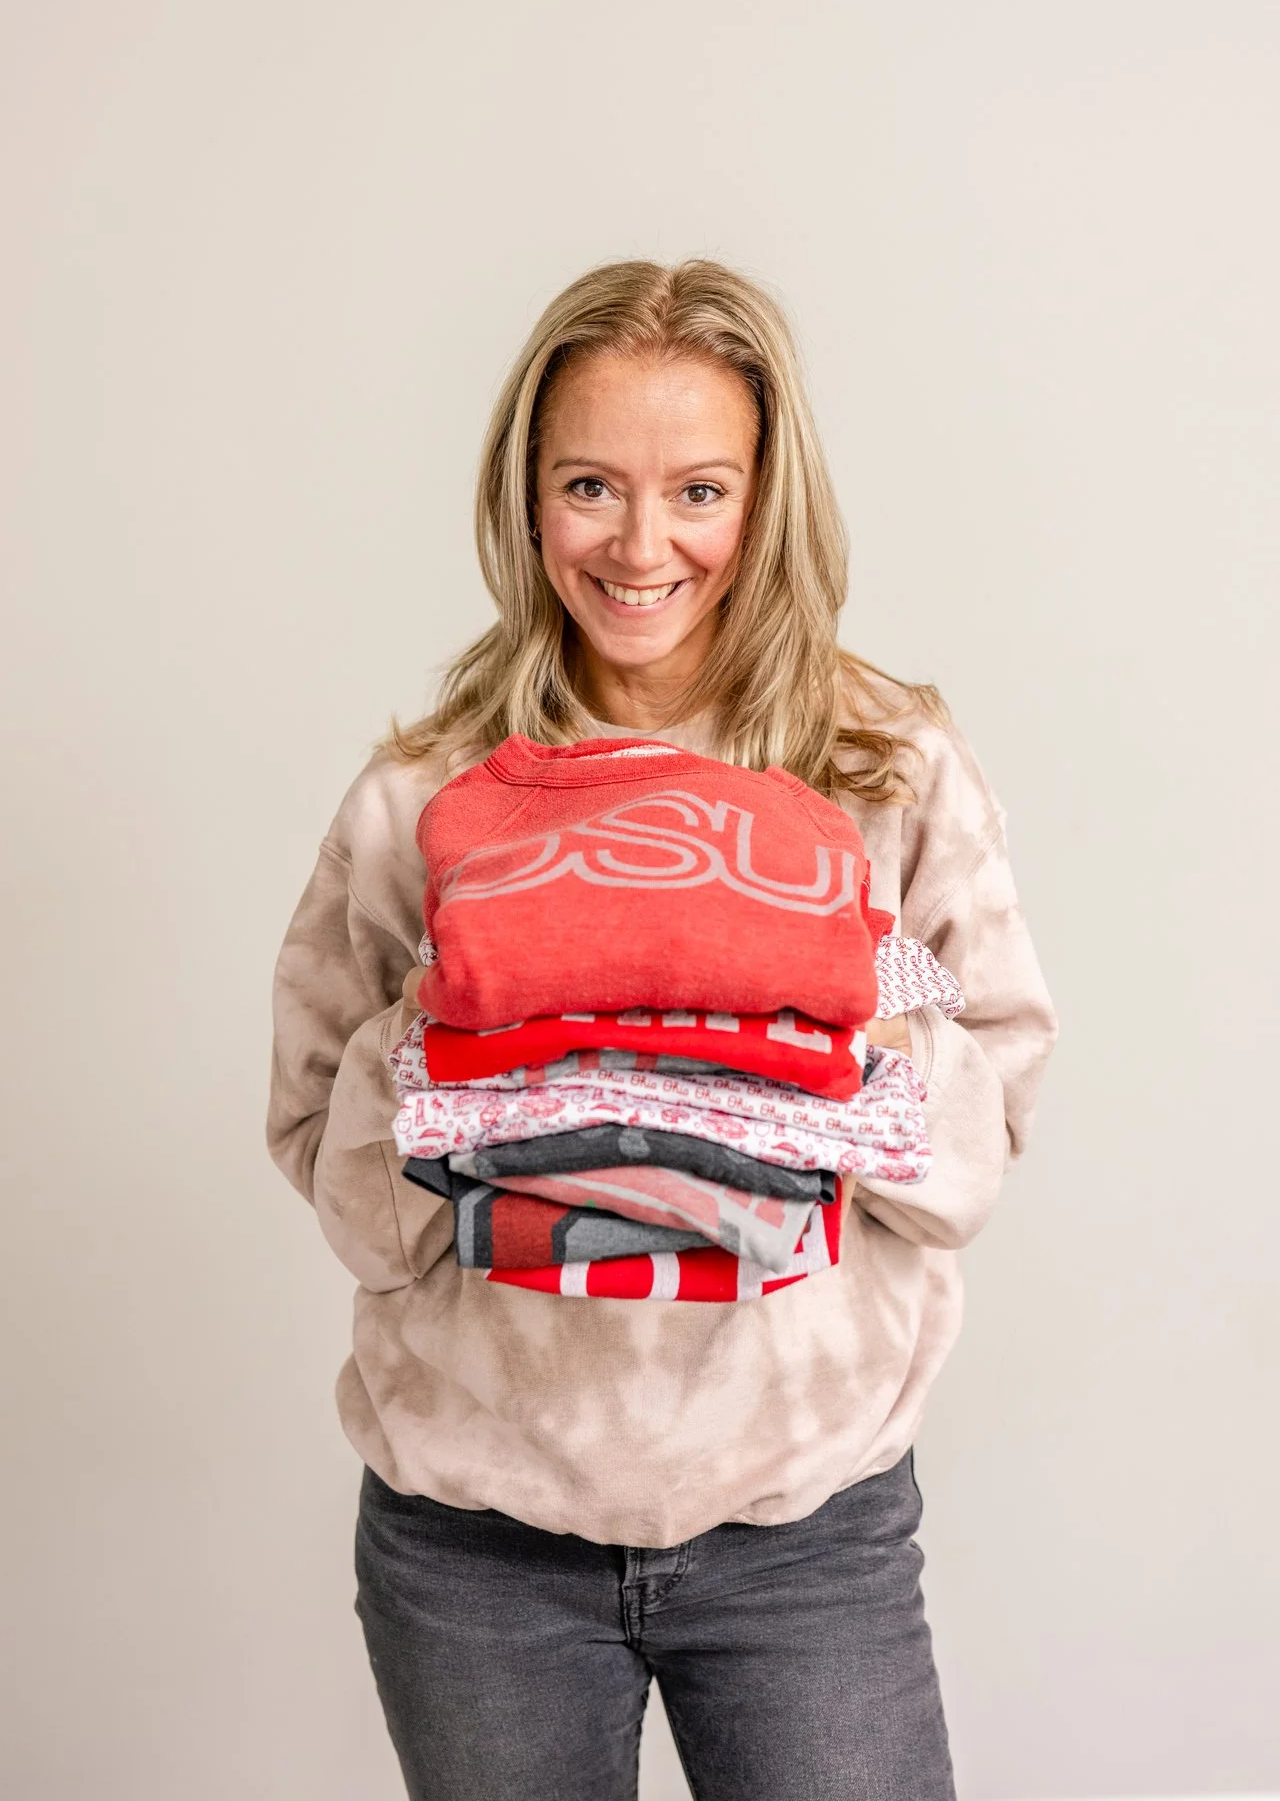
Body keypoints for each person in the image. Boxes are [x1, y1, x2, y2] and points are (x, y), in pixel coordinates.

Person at [267, 258, 1057, 1801]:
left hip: (807, 1537)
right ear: (526, 499)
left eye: (700, 489)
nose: (642, 547)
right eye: (590, 487)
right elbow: (347, 1191)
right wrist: (450, 1025)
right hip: (477, 1548)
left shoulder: (886, 770)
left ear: (769, 497)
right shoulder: (425, 799)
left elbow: (974, 1158)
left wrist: (835, 984)